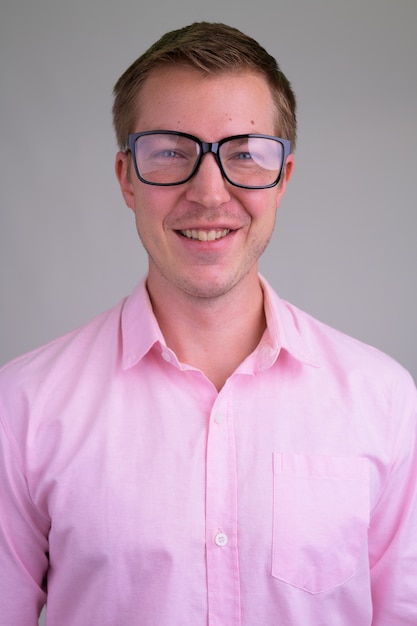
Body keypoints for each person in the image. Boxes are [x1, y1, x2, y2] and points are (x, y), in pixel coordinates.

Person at [0, 21, 416, 626]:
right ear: (126, 179)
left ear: (283, 181)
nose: (210, 191)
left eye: (244, 154)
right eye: (171, 152)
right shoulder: (21, 407)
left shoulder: (385, 401)